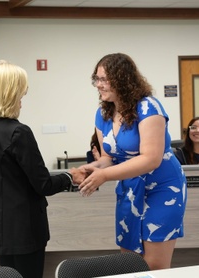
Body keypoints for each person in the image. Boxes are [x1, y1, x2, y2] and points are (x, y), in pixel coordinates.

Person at [0, 60, 84, 278]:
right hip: (23, 230)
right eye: (21, 94)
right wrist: (70, 176)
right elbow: (43, 184)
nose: (22, 101)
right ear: (9, 94)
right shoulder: (17, 132)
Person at [77, 53, 187, 270]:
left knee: (154, 266)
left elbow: (151, 159)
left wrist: (105, 175)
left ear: (123, 79)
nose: (98, 85)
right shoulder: (103, 113)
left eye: (104, 79)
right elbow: (109, 159)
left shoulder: (148, 107)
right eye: (96, 79)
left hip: (162, 189)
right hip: (129, 189)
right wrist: (91, 168)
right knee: (130, 263)